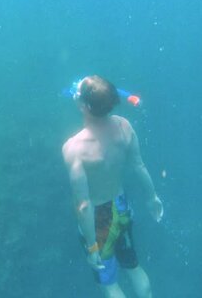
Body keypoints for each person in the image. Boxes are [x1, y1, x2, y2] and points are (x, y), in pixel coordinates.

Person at [62, 75, 164, 298]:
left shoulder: (74, 148)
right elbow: (139, 166)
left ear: (83, 106)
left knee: (109, 284)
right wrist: (152, 197)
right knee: (133, 267)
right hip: (122, 207)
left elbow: (83, 205)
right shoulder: (124, 127)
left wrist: (91, 247)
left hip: (99, 219)